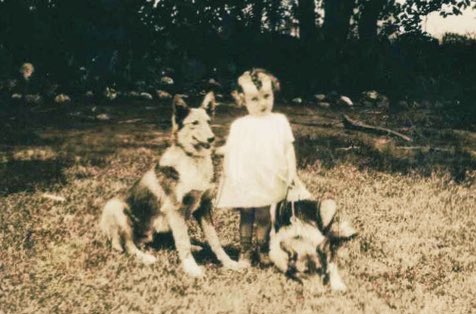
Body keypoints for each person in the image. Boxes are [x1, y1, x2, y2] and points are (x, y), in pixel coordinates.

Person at [216, 68, 297, 267]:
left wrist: (292, 173)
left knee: (263, 214)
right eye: (254, 99)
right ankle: (244, 251)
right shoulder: (241, 125)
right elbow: (232, 148)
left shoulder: (279, 122)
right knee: (246, 214)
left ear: (273, 92)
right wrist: (219, 152)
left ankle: (262, 249)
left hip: (269, 177)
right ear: (242, 100)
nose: (262, 103)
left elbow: (288, 149)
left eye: (266, 96)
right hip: (247, 178)